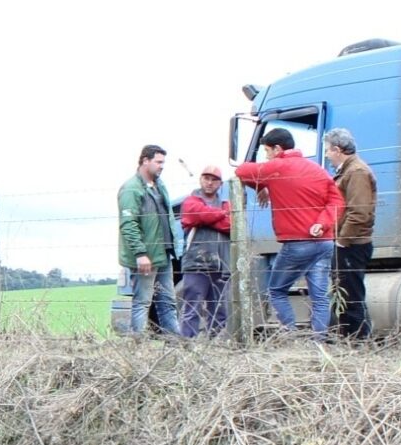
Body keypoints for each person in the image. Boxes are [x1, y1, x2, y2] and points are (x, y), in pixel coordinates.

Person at [230, 126, 343, 336]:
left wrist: (260, 185)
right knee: (319, 297)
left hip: (298, 243)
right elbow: (336, 200)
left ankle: (290, 334)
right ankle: (320, 342)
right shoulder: (317, 169)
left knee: (276, 290)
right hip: (325, 242)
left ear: (277, 149)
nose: (266, 157)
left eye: (266, 152)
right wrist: (323, 223)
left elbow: (241, 170)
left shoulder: (277, 167)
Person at [116, 144, 179, 337]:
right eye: (158, 162)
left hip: (163, 254)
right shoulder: (131, 189)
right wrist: (140, 254)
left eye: (163, 162)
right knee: (142, 302)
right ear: (145, 161)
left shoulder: (160, 186)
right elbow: (129, 225)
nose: (162, 166)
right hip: (147, 258)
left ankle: (174, 344)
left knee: (168, 302)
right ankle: (138, 345)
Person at [322, 128, 376, 341]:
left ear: (337, 150)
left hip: (353, 244)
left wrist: (342, 241)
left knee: (351, 294)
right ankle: (350, 337)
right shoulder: (350, 171)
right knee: (344, 292)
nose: (326, 155)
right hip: (349, 241)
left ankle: (358, 340)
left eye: (328, 150)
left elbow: (359, 211)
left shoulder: (356, 173)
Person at [175, 166, 230, 337]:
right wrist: (221, 214)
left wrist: (208, 218)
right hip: (196, 264)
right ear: (200, 179)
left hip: (221, 265)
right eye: (206, 178)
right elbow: (197, 214)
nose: (209, 182)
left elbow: (232, 224)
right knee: (192, 308)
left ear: (220, 184)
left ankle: (216, 348)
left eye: (214, 179)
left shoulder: (226, 203)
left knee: (220, 310)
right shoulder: (191, 201)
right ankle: (188, 346)